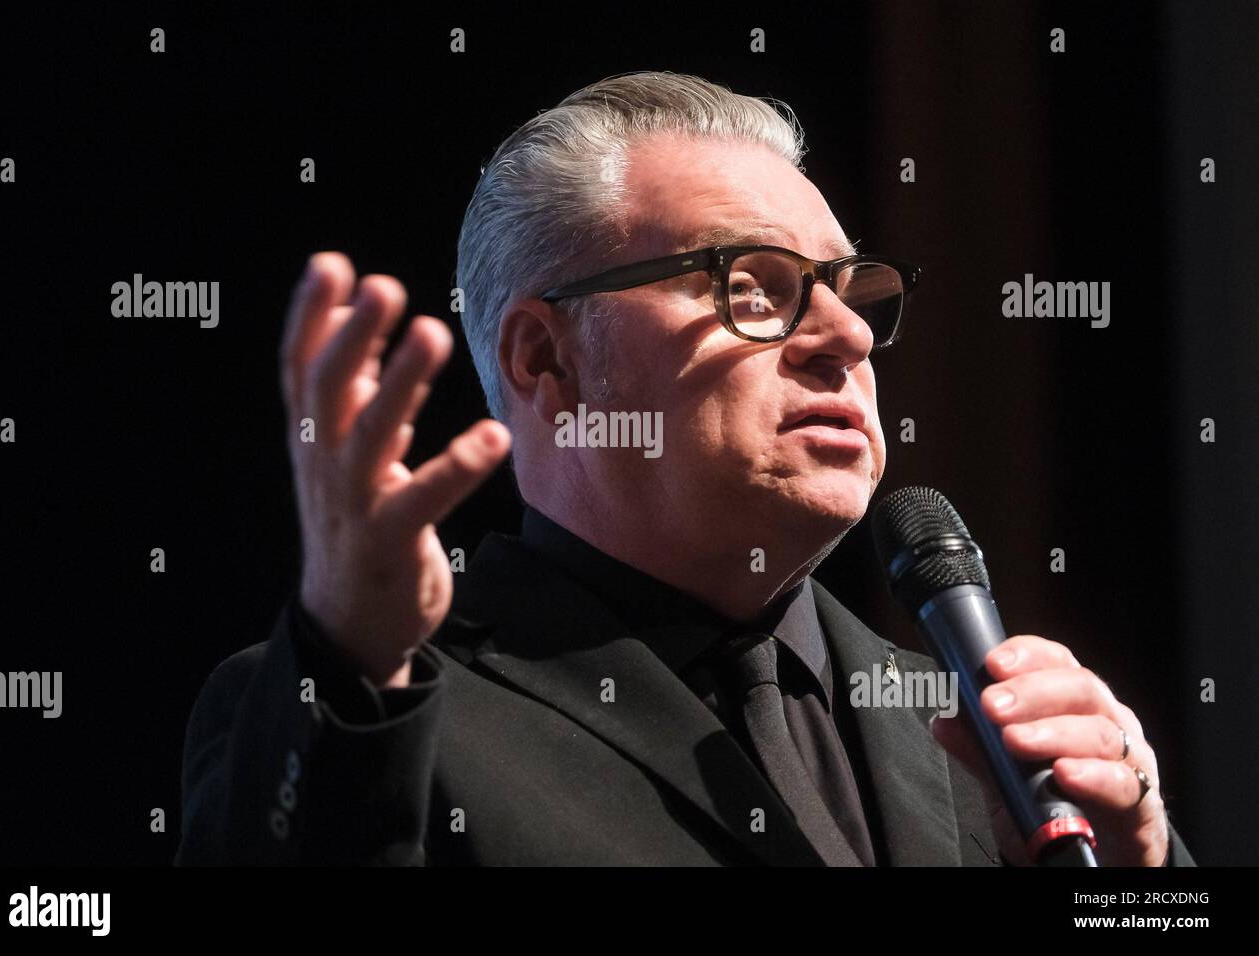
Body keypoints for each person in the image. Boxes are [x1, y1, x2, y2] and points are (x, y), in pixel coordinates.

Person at [176, 71, 1193, 866]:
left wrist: (1141, 866)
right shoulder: (370, 709)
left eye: (851, 289)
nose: (843, 332)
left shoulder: (987, 738)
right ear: (546, 358)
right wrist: (348, 658)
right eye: (752, 286)